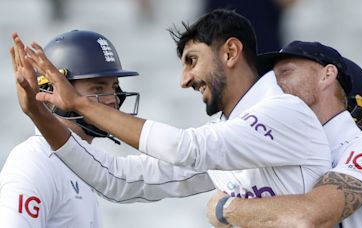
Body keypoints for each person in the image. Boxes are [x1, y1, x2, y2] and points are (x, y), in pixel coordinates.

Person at [15, 9, 331, 219]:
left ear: (230, 52)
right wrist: (38, 114)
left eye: (192, 60)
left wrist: (82, 104)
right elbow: (118, 182)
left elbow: (184, 147)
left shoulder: (283, 112)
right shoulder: (234, 139)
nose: (184, 80)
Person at [207, 41, 362, 228]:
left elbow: (306, 218)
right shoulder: (278, 150)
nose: (275, 87)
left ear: (327, 76)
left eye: (286, 72)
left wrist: (226, 208)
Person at [0, 29, 141, 227]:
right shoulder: (33, 161)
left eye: (115, 86)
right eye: (98, 88)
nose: (114, 99)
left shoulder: (87, 162)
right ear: (52, 91)